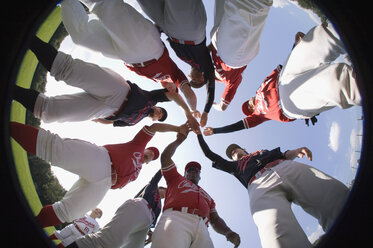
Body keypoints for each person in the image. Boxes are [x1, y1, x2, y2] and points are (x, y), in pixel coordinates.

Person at [10, 121, 183, 228]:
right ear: (146, 148)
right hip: (102, 159)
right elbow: (155, 127)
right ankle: (8, 126)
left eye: (153, 156)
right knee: (54, 148)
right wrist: (178, 129)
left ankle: (28, 226)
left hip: (104, 184)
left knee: (70, 212)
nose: (152, 154)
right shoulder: (137, 144)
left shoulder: (137, 174)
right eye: (151, 151)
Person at [203, 22, 361, 136]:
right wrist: (216, 131)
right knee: (336, 83)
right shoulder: (258, 115)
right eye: (248, 108)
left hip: (285, 75)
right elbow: (238, 126)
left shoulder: (259, 89)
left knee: (321, 38)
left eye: (248, 104)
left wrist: (295, 48)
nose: (250, 105)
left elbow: (283, 70)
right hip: (287, 104)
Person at [196, 132, 350, 247]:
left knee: (334, 197)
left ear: (243, 148)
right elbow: (210, 154)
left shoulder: (262, 151)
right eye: (231, 154)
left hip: (284, 166)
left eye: (235, 150)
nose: (234, 153)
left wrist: (296, 151)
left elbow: (283, 154)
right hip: (258, 185)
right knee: (276, 237)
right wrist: (199, 134)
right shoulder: (234, 166)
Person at [13, 35, 199, 130]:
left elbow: (111, 124)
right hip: (120, 90)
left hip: (107, 111)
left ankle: (10, 91)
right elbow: (173, 95)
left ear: (155, 119)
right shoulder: (153, 99)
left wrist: (99, 120)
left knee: (51, 112)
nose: (159, 113)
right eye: (161, 112)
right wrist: (188, 112)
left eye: (159, 116)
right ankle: (27, 36)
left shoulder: (134, 123)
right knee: (67, 70)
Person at [60, 0, 198, 116]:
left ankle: (67, 2)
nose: (171, 90)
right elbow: (189, 95)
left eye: (170, 92)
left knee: (83, 37)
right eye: (175, 89)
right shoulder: (175, 74)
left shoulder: (157, 80)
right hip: (148, 47)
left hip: (127, 57)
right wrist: (193, 110)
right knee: (105, 5)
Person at [150, 126, 241, 248]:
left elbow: (215, 219)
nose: (193, 171)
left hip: (203, 227)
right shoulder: (175, 178)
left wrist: (227, 231)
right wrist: (179, 140)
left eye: (197, 170)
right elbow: (165, 157)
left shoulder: (208, 197)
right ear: (184, 173)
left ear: (200, 176)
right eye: (190, 170)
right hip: (176, 218)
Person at [136, 0, 216, 127]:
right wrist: (205, 111)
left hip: (168, 29)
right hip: (190, 31)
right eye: (197, 81)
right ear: (203, 77)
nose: (193, 79)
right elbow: (210, 90)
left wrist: (192, 110)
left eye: (192, 82)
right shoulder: (206, 64)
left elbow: (187, 94)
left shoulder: (180, 65)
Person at [189, 0, 272, 113]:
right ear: (203, 81)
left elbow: (207, 49)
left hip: (217, 38)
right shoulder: (228, 81)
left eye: (193, 79)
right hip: (233, 57)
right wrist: (213, 105)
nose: (196, 78)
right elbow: (223, 107)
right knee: (248, 6)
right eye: (197, 81)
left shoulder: (209, 63)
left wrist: (195, 66)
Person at [65, 170, 166, 248]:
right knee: (107, 241)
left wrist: (150, 233)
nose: (166, 192)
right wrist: (166, 166)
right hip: (140, 207)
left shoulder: (160, 207)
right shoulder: (153, 187)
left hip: (146, 222)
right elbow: (158, 175)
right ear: (160, 188)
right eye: (165, 189)